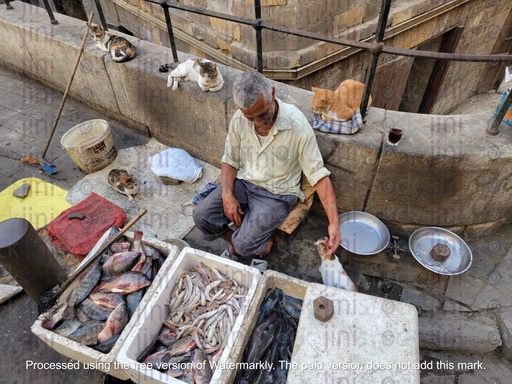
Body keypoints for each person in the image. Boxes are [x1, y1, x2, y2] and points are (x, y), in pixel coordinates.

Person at [193, 71, 340, 259]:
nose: (259, 123)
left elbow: (318, 176)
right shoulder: (239, 118)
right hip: (245, 182)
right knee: (201, 216)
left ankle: (249, 242)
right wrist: (227, 195)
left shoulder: (297, 125)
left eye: (263, 114)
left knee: (244, 246)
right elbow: (230, 160)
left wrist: (333, 223)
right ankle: (238, 242)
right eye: (251, 118)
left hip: (277, 194)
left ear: (273, 93)